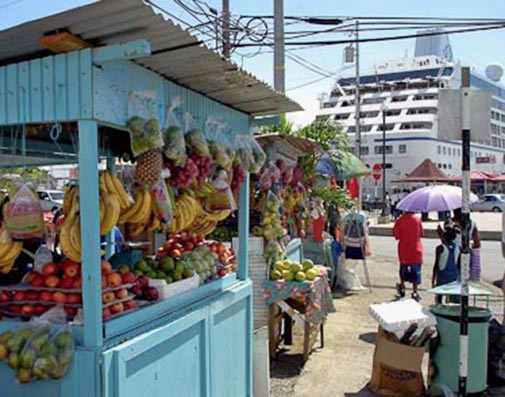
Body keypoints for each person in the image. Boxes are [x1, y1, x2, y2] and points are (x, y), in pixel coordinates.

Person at [393, 211, 424, 301]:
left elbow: (396, 235)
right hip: (416, 248)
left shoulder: (399, 220)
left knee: (403, 268)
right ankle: (415, 291)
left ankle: (402, 285)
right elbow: (421, 234)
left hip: (404, 248)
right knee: (416, 270)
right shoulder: (417, 220)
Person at [432, 223, 460, 303]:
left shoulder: (440, 248)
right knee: (452, 299)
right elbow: (457, 264)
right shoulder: (458, 248)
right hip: (454, 276)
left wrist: (433, 279)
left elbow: (436, 265)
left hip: (442, 277)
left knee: (439, 297)